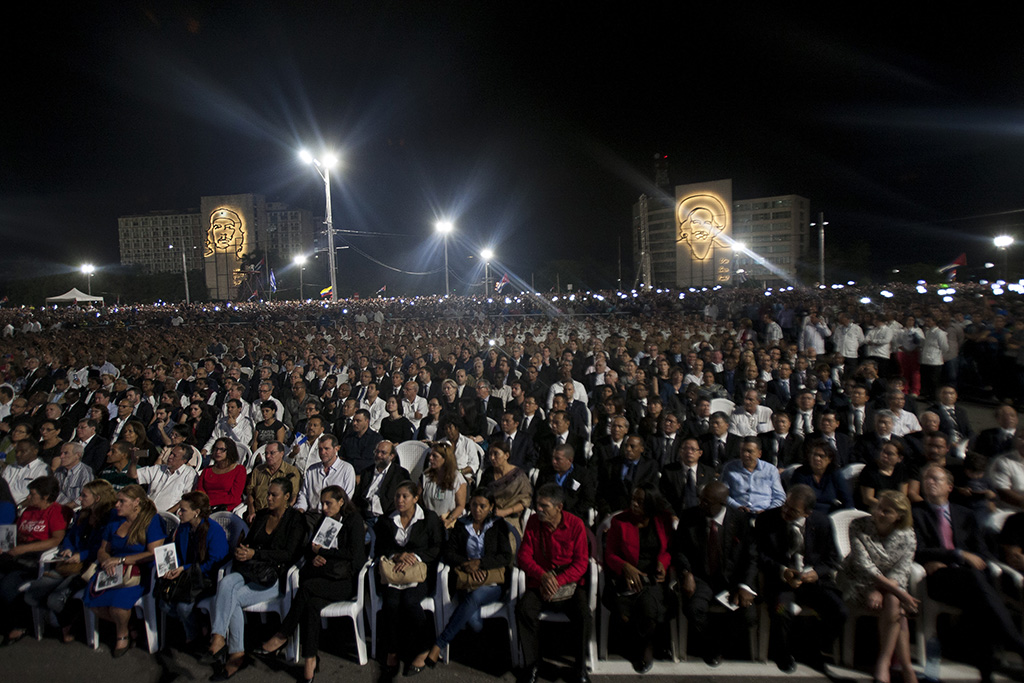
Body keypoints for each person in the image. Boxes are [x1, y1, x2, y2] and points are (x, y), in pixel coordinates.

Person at [912, 465, 1024, 682]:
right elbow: (918, 549)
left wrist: (972, 559)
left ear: (949, 486)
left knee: (980, 602)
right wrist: (958, 555)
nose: (929, 482)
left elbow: (981, 552)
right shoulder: (916, 513)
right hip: (939, 578)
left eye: (935, 478)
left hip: (971, 579)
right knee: (980, 586)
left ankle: (987, 670)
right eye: (926, 478)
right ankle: (1016, 645)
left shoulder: (966, 514)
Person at [256, 486, 367, 683]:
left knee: (306, 589)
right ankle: (310, 659)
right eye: (322, 503)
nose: (324, 508)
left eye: (328, 503)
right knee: (312, 605)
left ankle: (283, 634)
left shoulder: (354, 521)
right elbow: (310, 549)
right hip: (322, 578)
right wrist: (314, 556)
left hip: (344, 582)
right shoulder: (324, 521)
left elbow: (355, 555)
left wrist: (324, 553)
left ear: (341, 502)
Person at [201, 477, 305, 680]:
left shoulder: (295, 520)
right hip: (251, 571)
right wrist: (243, 551)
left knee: (232, 599)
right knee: (226, 583)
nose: (269, 498)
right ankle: (220, 637)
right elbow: (249, 542)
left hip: (274, 577)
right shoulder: (262, 516)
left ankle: (235, 653)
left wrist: (255, 554)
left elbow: (289, 554)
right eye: (268, 493)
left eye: (274, 495)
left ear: (286, 497)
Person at [412, 487, 514, 671]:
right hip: (467, 579)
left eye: (483, 506)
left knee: (474, 600)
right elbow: (448, 552)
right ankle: (483, 641)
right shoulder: (461, 524)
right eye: (474, 505)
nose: (478, 509)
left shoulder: (498, 525)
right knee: (474, 623)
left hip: (491, 582)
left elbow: (506, 556)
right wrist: (468, 564)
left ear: (490, 507)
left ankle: (438, 644)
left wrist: (481, 564)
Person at [756, 485, 846, 672]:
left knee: (839, 611)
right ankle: (784, 654)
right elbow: (759, 555)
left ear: (807, 513)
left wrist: (817, 572)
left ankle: (815, 646)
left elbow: (833, 558)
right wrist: (783, 571)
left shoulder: (822, 522)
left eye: (793, 510)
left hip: (813, 584)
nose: (786, 512)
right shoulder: (767, 520)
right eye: (785, 506)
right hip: (783, 585)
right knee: (782, 612)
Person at [672, 481, 757, 665]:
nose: (701, 504)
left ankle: (722, 644)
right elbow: (679, 550)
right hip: (701, 577)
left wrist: (745, 586)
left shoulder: (740, 521)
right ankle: (710, 644)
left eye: (707, 502)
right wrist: (686, 572)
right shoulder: (690, 516)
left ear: (722, 504)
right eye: (701, 499)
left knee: (748, 615)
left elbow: (751, 557)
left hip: (731, 580)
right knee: (693, 609)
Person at [838, 491, 919, 683]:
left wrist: (883, 590)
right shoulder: (859, 525)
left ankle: (884, 663)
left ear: (899, 515)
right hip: (856, 581)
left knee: (893, 601)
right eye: (878, 507)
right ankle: (907, 669)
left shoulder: (908, 536)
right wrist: (902, 594)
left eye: (886, 511)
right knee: (898, 602)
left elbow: (901, 571)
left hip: (889, 587)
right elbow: (863, 565)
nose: (879, 513)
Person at [23, 479, 116, 644]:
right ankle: (64, 620)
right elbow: (70, 536)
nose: (80, 499)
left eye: (84, 496)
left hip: (88, 567)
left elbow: (104, 547)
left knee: (55, 599)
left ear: (98, 499)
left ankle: (70, 622)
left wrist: (82, 555)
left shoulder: (109, 520)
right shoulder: (83, 515)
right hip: (69, 563)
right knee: (31, 594)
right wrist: (69, 548)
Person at [516, 483, 591, 683]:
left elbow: (581, 562)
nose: (539, 509)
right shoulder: (533, 522)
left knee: (583, 615)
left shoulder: (575, 525)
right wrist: (543, 576)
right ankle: (532, 665)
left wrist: (558, 581)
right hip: (540, 582)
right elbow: (524, 556)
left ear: (559, 507)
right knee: (524, 610)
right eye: (538, 505)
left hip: (569, 585)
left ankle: (580, 668)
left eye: (544, 506)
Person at [83, 484, 166, 657]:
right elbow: (102, 549)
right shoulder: (115, 520)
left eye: (122, 501)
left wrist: (121, 560)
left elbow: (153, 553)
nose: (117, 505)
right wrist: (107, 561)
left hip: (138, 571)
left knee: (118, 607)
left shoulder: (151, 521)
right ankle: (130, 625)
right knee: (92, 601)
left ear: (137, 502)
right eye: (117, 501)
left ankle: (123, 634)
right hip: (112, 569)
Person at [373, 481, 445, 677]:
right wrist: (396, 555)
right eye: (397, 496)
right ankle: (393, 650)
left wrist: (415, 557)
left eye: (405, 496)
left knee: (410, 601)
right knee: (391, 602)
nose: (400, 500)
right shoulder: (388, 520)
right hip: (395, 571)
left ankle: (423, 648)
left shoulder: (428, 519)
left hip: (419, 572)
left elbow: (437, 547)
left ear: (415, 498)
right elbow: (380, 548)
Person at [602, 484, 674, 673]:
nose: (634, 504)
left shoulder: (663, 520)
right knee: (628, 608)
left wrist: (662, 563)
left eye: (640, 502)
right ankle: (638, 644)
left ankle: (646, 647)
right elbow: (609, 554)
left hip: (653, 575)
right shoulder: (620, 521)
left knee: (649, 606)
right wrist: (625, 567)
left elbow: (669, 550)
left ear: (650, 503)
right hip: (626, 574)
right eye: (633, 499)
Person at [0, 476, 68, 646]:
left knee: (8, 584)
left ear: (45, 497)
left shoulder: (55, 511)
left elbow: (56, 540)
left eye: (32, 494)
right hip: (17, 553)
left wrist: (24, 549)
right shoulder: (29, 510)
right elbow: (15, 533)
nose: (28, 497)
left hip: (37, 558)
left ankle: (20, 624)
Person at [159, 491, 229, 651]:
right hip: (185, 577)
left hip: (204, 578)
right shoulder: (183, 528)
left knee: (183, 606)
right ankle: (198, 622)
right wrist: (169, 567)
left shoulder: (214, 531)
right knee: (164, 602)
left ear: (196, 512)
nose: (179, 513)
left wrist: (185, 568)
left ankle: (193, 635)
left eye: (183, 510)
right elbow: (173, 550)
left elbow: (215, 563)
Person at [479, 442, 533, 538]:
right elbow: (480, 494)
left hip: (510, 516)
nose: (492, 458)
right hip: (489, 514)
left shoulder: (518, 475)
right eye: (490, 454)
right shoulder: (488, 473)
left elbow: (525, 501)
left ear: (506, 455)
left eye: (496, 454)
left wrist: (505, 512)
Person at [720, 437, 786, 514]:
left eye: (749, 451)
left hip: (765, 513)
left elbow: (779, 497)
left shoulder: (770, 470)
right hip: (738, 514)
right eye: (743, 451)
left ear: (759, 454)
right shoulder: (730, 468)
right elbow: (723, 494)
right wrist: (737, 506)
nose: (745, 454)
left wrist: (768, 512)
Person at [790, 439, 854, 513]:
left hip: (832, 514)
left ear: (829, 459)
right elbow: (799, 501)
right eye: (814, 454)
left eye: (821, 456)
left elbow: (847, 499)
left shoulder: (835, 473)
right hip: (808, 514)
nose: (817, 458)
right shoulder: (800, 473)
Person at [244, 441, 301, 522]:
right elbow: (250, 492)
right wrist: (251, 511)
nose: (268, 456)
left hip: (278, 516)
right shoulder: (258, 470)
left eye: (272, 453)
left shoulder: (291, 471)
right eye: (266, 453)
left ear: (281, 454)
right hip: (258, 513)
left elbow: (292, 498)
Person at [421, 441, 468, 529]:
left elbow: (460, 506)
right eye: (430, 455)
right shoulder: (425, 476)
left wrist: (449, 520)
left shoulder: (457, 479)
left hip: (449, 521)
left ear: (445, 459)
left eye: (434, 456)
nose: (430, 458)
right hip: (429, 521)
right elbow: (418, 500)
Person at [197, 438, 247, 512]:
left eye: (222, 450)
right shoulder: (207, 470)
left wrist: (210, 503)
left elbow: (234, 497)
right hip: (205, 507)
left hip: (225, 508)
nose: (218, 452)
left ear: (229, 451)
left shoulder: (239, 470)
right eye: (216, 449)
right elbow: (200, 491)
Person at [858, 440, 909, 511]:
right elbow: (867, 499)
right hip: (873, 508)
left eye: (889, 454)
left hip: (894, 508)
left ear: (899, 458)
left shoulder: (901, 469)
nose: (884, 455)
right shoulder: (870, 470)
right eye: (882, 451)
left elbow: (902, 495)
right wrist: (888, 507)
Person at [53, 441, 94, 506]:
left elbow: (86, 497)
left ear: (77, 455)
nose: (61, 456)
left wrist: (66, 508)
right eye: (61, 453)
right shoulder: (58, 471)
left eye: (66, 453)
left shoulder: (85, 473)